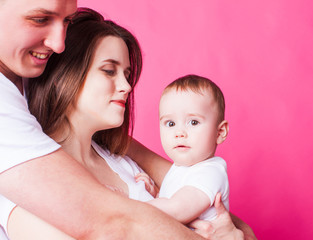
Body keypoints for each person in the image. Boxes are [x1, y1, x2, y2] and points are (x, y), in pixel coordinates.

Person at [0, 5, 254, 239]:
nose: (126, 86)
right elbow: (123, 223)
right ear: (65, 75)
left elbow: (211, 204)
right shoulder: (23, 180)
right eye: (109, 71)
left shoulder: (129, 167)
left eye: (127, 74)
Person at [137, 74, 230, 224]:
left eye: (193, 122)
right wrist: (157, 195)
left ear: (220, 132)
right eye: (170, 124)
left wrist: (127, 204)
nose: (179, 133)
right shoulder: (181, 169)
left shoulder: (210, 172)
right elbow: (177, 200)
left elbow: (176, 211)